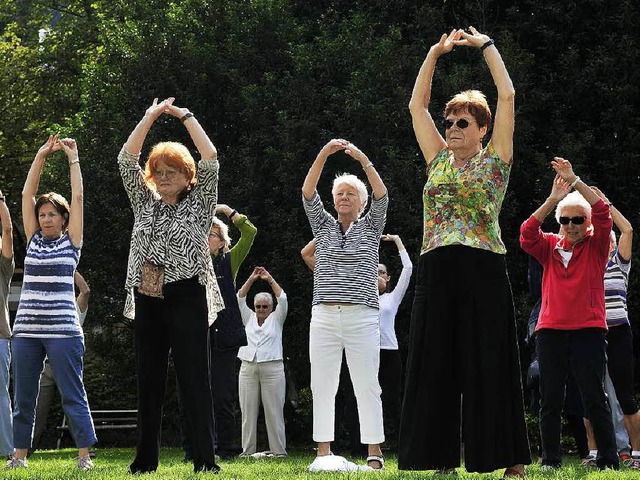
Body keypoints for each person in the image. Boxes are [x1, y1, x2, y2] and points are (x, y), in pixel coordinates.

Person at [398, 28, 529, 477]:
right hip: (435, 267)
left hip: (482, 267)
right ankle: (439, 460)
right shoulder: (436, 159)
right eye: (450, 121)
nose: (452, 128)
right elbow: (416, 107)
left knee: (489, 362)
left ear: (483, 129)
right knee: (434, 363)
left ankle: (509, 460)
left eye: (462, 123)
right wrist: (434, 53)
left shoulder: (496, 160)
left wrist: (488, 48)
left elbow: (507, 95)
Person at [119, 98, 223, 474]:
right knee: (148, 380)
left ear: (186, 175)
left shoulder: (200, 203)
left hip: (187, 295)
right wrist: (148, 116)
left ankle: (204, 459)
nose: (163, 177)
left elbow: (210, 158)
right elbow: (125, 159)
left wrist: (184, 117)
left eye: (171, 171)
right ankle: (145, 460)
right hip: (148, 295)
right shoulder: (143, 202)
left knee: (195, 379)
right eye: (158, 171)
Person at [520, 161, 618, 470]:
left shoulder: (597, 245)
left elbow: (603, 213)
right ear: (559, 222)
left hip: (588, 330)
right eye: (565, 220)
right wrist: (552, 199)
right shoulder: (548, 246)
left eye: (578, 220)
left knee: (594, 397)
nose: (571, 225)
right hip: (550, 331)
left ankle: (608, 460)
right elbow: (526, 233)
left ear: (586, 223)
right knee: (550, 400)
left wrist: (575, 180)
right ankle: (551, 460)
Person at [9, 135, 96, 470]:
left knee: (72, 396)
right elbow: (26, 194)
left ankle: (84, 456)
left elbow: (78, 195)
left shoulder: (72, 243)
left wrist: (73, 158)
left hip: (64, 332)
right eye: (41, 214)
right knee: (24, 398)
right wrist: (42, 154)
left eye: (51, 214)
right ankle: (19, 457)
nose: (45, 219)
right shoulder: (32, 241)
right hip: (28, 331)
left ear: (63, 218)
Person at [302, 139, 388, 471]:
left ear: (361, 201)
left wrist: (364, 160)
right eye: (339, 193)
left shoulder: (371, 226)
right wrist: (323, 154)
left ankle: (374, 452)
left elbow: (382, 195)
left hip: (362, 316)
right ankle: (323, 451)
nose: (344, 197)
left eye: (351, 193)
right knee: (322, 383)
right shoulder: (322, 226)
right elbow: (308, 192)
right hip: (323, 314)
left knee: (367, 383)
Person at [181, 204, 256, 461]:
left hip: (223, 336)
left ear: (222, 242)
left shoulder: (229, 261)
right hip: (195, 335)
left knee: (222, 394)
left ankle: (227, 447)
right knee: (192, 392)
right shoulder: (188, 261)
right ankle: (194, 448)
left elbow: (250, 233)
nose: (205, 238)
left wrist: (226, 211)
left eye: (210, 234)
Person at [582, 187, 638, 467]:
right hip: (591, 333)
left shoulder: (619, 265)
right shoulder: (587, 265)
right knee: (591, 394)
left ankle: (635, 455)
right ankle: (594, 454)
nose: (607, 245)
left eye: (610, 242)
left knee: (625, 395)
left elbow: (627, 230)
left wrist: (604, 204)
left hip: (618, 333)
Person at [31, 272, 90, 452]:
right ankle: (25, 450)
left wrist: (68, 267)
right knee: (36, 409)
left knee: (75, 406)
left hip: (67, 365)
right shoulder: (45, 303)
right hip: (45, 366)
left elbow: (85, 290)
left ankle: (85, 449)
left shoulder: (74, 305)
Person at [237, 267, 287, 457]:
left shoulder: (277, 318)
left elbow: (282, 297)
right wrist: (251, 279)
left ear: (271, 307)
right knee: (247, 412)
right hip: (248, 366)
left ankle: (279, 451)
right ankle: (247, 451)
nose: (261, 310)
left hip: (273, 367)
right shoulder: (248, 317)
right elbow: (240, 297)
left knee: (274, 411)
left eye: (265, 306)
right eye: (258, 306)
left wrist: (269, 278)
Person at [377, 234, 412, 449]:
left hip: (390, 352)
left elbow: (408, 269)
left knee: (392, 400)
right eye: (375, 272)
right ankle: (368, 444)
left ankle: (403, 444)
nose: (378, 276)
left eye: (382, 272)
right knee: (368, 399)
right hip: (368, 353)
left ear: (388, 278)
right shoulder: (364, 297)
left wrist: (398, 241)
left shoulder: (392, 298)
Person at [0, 187, 14, 461]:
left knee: (1, 396)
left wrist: (0, 200)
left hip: (0, 337)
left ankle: (6, 450)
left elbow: (9, 230)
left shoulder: (3, 266)